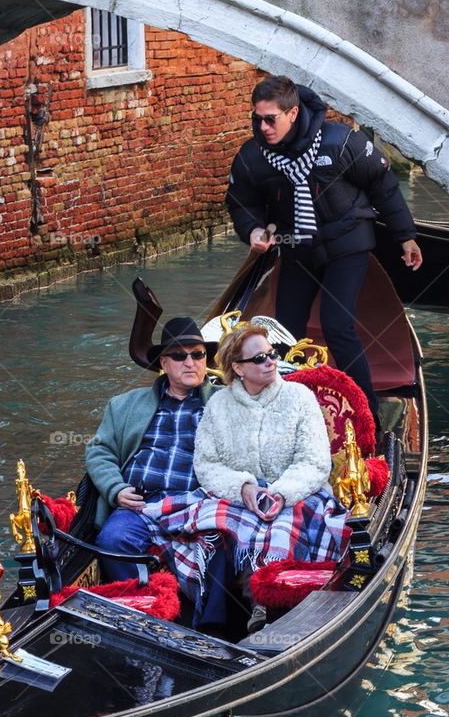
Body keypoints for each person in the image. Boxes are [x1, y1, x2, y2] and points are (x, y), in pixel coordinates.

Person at [226, 75, 422, 422]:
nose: (263, 127)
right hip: (297, 245)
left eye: (271, 119)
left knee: (336, 325)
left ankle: (367, 416)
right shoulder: (254, 156)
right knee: (283, 331)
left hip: (348, 241)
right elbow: (241, 201)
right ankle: (288, 411)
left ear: (293, 113)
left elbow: (382, 184)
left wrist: (405, 236)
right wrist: (253, 229)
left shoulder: (339, 141)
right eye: (257, 118)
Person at [144, 323, 349, 634]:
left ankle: (271, 609)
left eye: (272, 354)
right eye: (259, 358)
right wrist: (244, 488)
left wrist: (280, 493)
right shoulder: (219, 405)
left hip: (298, 494)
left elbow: (314, 462)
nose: (269, 361)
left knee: (281, 527)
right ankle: (213, 623)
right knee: (213, 529)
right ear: (237, 368)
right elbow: (208, 465)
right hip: (241, 497)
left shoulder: (299, 397)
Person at [85, 316, 228, 629]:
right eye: (179, 355)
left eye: (198, 354)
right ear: (164, 362)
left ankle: (212, 630)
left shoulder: (225, 403)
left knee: (223, 544)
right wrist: (115, 489)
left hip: (196, 503)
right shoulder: (124, 405)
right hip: (141, 502)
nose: (190, 362)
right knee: (112, 539)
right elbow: (99, 450)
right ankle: (152, 615)